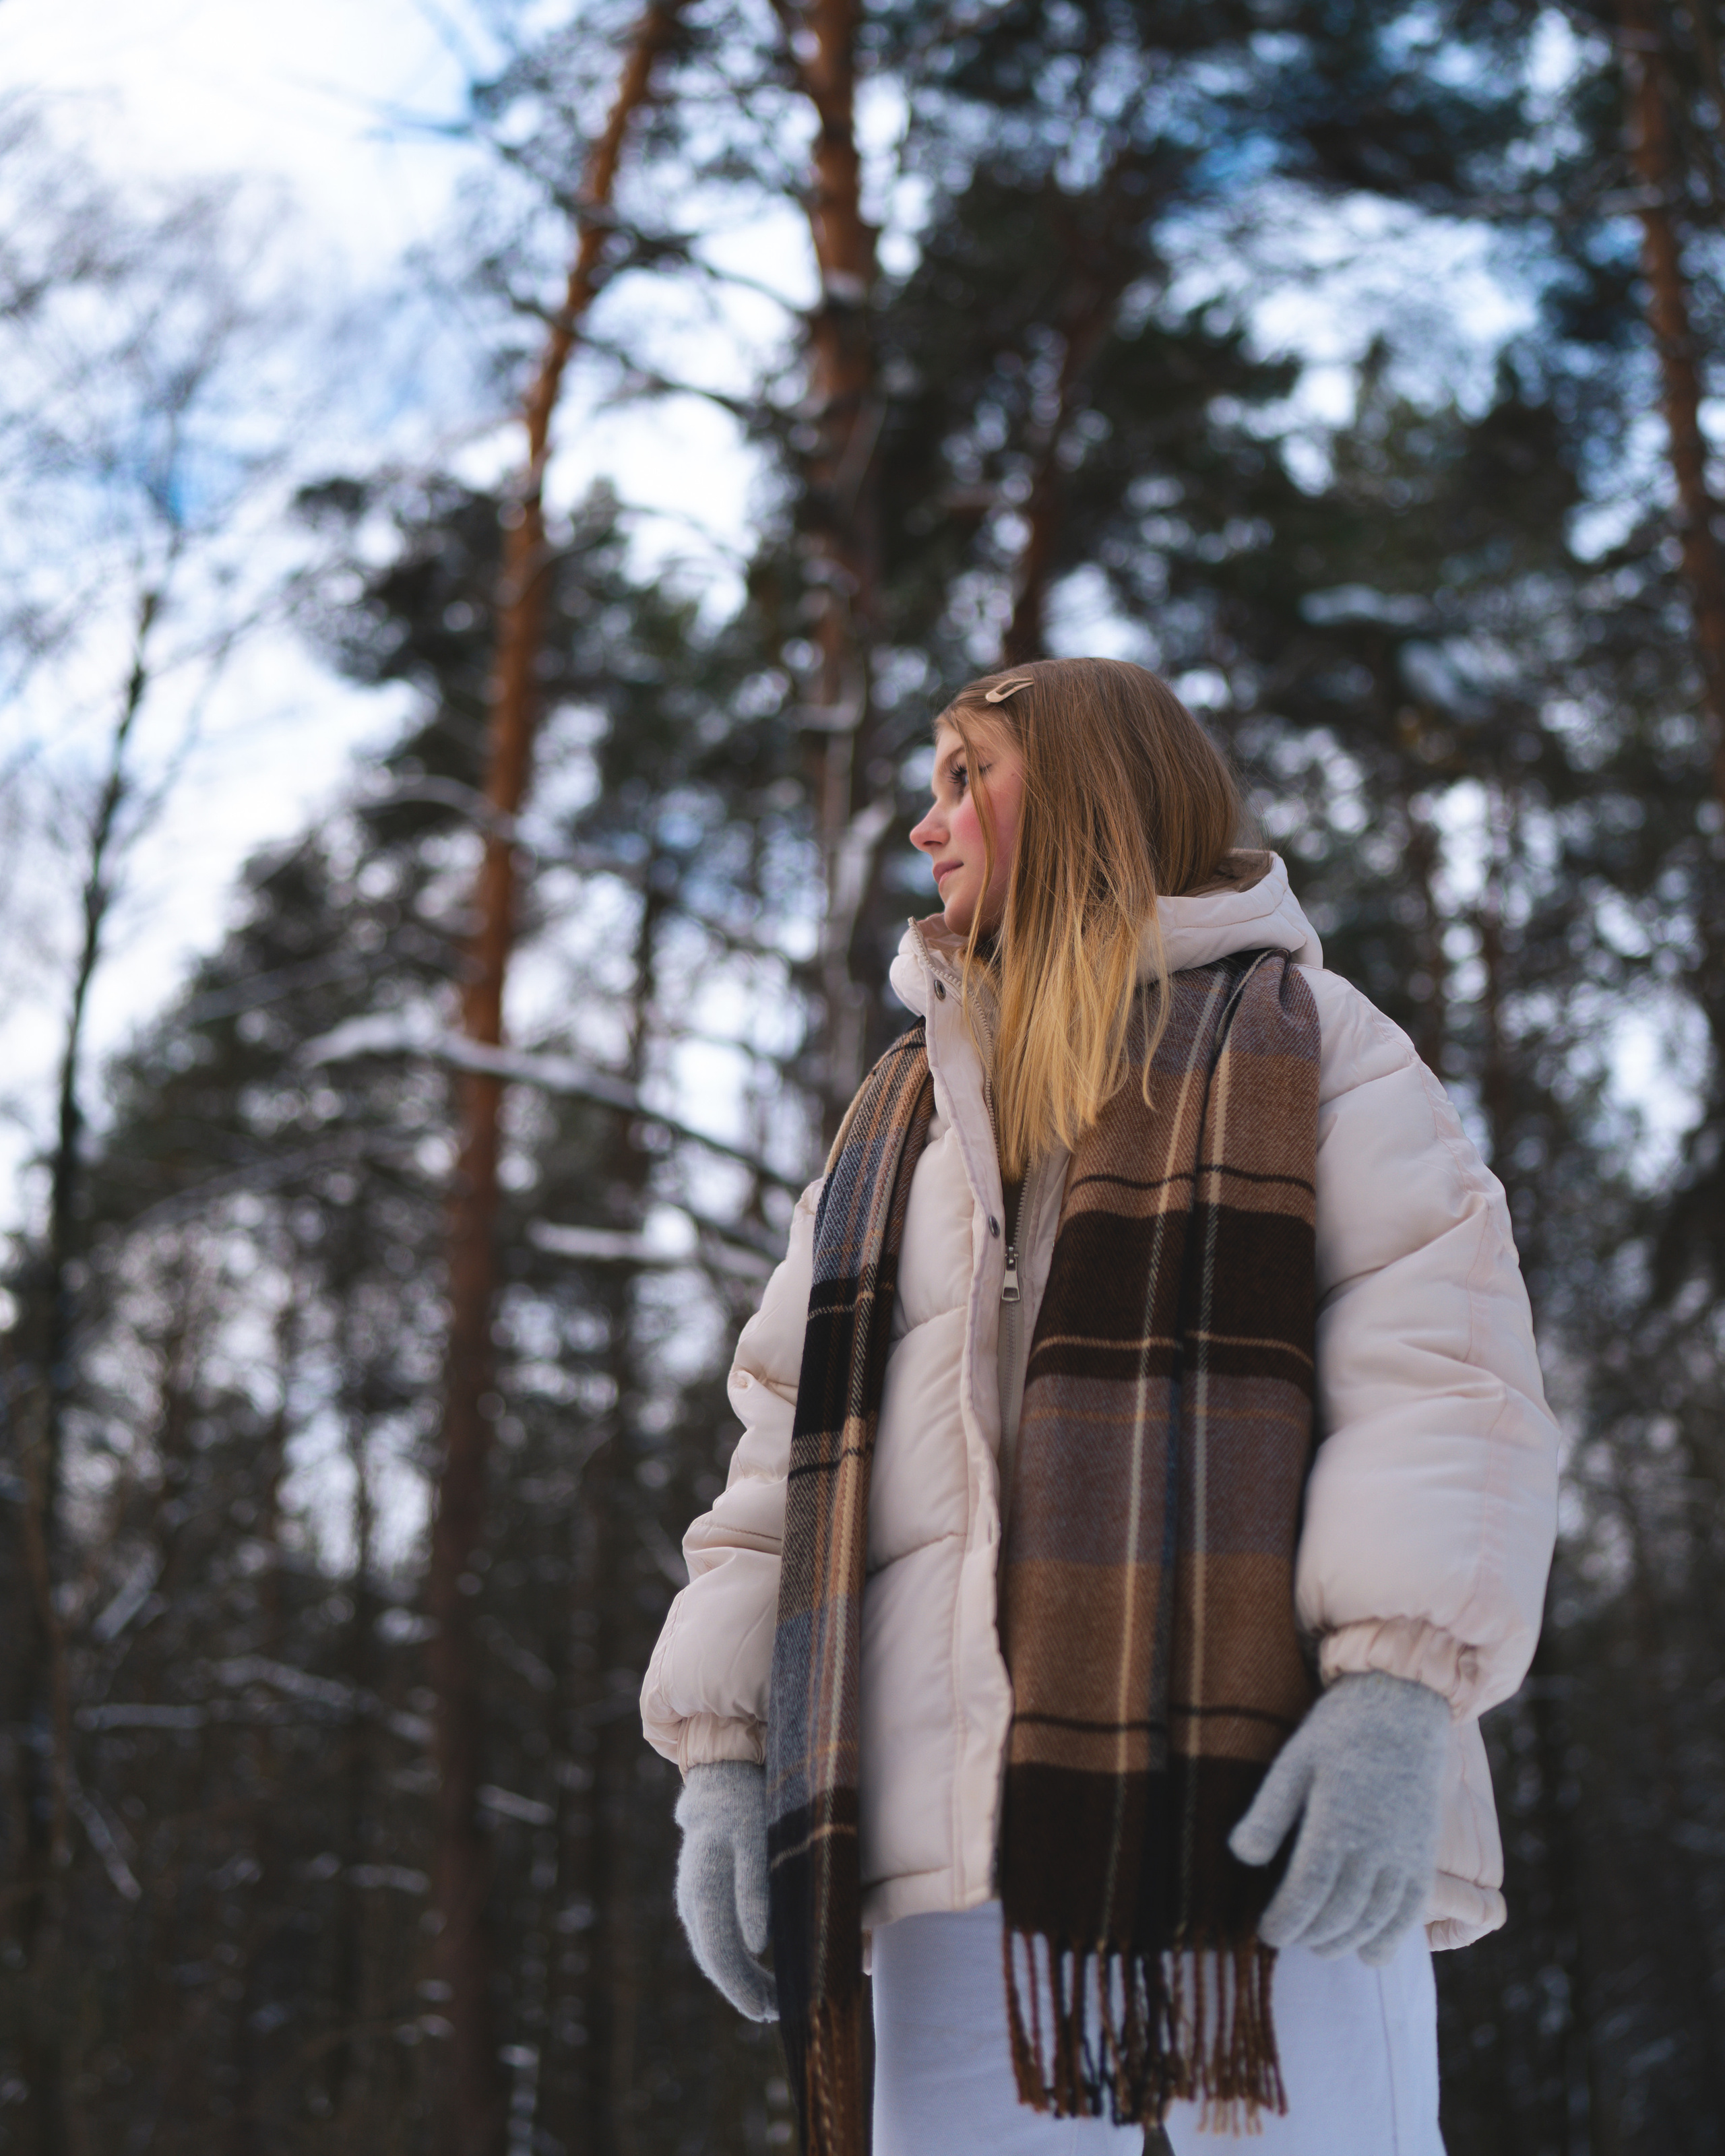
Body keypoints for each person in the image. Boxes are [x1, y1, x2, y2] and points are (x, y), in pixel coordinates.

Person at [640, 658, 1559, 2156]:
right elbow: (777, 1456)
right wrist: (724, 1754)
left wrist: (1398, 1690)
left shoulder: (1317, 1049)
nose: (927, 826)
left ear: (1085, 794)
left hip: (1275, 1795)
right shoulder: (894, 1124)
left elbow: (1443, 1389)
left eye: (967, 777)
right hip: (944, 1841)